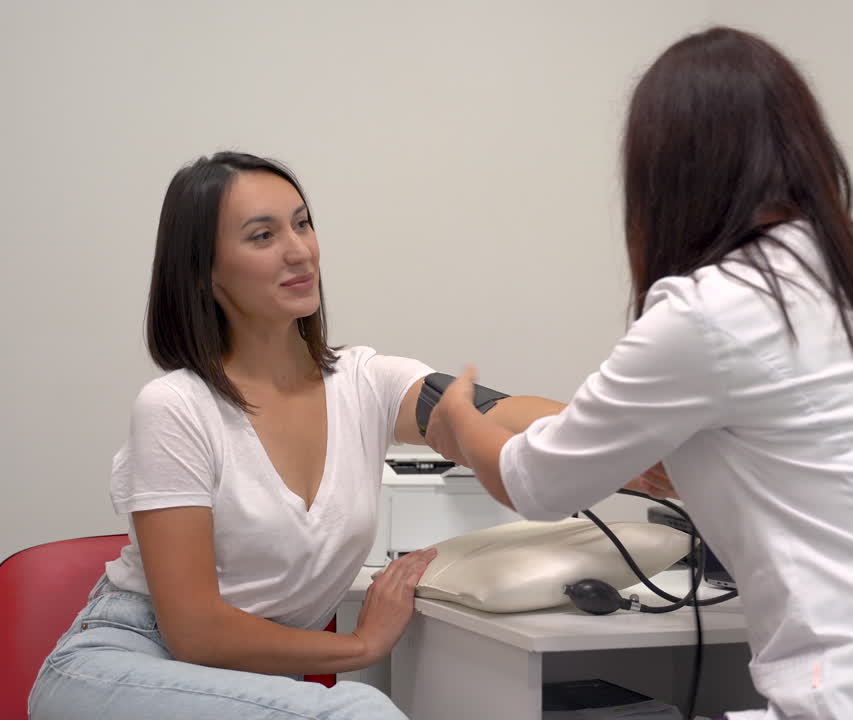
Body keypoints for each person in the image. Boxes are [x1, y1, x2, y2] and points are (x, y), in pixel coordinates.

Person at [423, 27, 853, 720]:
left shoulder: (708, 310)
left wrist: (459, 418)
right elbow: (816, 450)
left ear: (666, 172)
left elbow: (535, 479)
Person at [28, 152, 561, 719]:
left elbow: (487, 413)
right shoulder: (177, 407)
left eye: (302, 223)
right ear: (204, 271)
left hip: (246, 691)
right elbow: (195, 633)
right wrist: (359, 646)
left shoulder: (364, 382)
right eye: (262, 235)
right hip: (119, 665)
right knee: (359, 711)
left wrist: (625, 442)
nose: (299, 249)